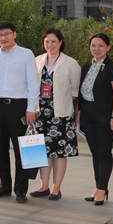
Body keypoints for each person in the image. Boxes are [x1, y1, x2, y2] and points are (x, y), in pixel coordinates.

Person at [0, 21, 39, 204]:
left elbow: (33, 83)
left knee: (21, 149)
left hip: (18, 107)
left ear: (14, 34)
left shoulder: (26, 54)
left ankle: (20, 189)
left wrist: (31, 108)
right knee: (1, 148)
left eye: (7, 33)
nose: (3, 37)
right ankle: (4, 186)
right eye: (0, 34)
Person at [31, 28, 81, 201]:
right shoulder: (37, 61)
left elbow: (75, 90)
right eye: (47, 41)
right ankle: (43, 186)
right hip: (40, 114)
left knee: (59, 152)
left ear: (60, 42)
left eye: (53, 41)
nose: (50, 44)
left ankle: (56, 189)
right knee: (43, 152)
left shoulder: (70, 63)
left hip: (61, 114)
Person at [78, 33, 113, 206]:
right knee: (95, 152)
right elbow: (81, 93)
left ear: (108, 47)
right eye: (93, 45)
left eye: (101, 45)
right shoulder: (86, 66)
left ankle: (102, 189)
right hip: (87, 114)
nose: (96, 49)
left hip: (105, 114)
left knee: (104, 152)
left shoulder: (112, 67)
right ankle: (99, 187)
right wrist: (79, 114)